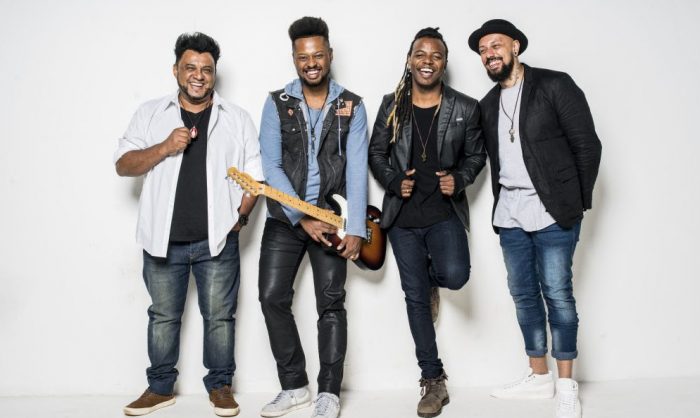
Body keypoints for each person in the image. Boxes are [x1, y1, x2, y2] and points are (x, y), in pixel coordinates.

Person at [114, 32, 262, 417]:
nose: (198, 75)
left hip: (217, 241)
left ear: (214, 74)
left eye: (206, 69)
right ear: (176, 70)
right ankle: (159, 388)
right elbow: (123, 165)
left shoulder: (237, 119)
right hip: (162, 240)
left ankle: (221, 386)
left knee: (220, 319)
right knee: (163, 317)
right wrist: (164, 147)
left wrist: (240, 218)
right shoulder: (150, 114)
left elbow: (255, 177)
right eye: (190, 67)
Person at [468, 19, 602, 418]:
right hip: (510, 214)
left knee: (557, 294)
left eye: (496, 45)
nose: (489, 54)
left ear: (515, 46)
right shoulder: (486, 105)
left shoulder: (554, 85)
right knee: (523, 294)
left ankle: (566, 385)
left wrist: (574, 203)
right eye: (483, 50)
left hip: (553, 212)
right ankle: (539, 375)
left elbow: (587, 145)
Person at [368, 27, 486, 418]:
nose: (427, 61)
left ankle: (430, 279)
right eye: (420, 54)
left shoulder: (465, 108)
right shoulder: (391, 106)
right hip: (402, 219)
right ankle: (433, 380)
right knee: (415, 298)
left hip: (443, 213)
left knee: (456, 275)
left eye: (436, 55)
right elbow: (376, 153)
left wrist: (461, 179)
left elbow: (476, 155)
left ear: (444, 63)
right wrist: (392, 180)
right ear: (409, 60)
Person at [256, 16, 368, 418]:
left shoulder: (351, 104)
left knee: (331, 304)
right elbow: (271, 166)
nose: (311, 63)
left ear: (330, 55)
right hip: (286, 221)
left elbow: (356, 169)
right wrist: (300, 216)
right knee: (271, 297)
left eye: (318, 55)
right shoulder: (276, 103)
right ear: (294, 59)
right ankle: (294, 386)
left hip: (333, 219)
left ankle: (329, 392)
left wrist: (355, 228)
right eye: (303, 57)